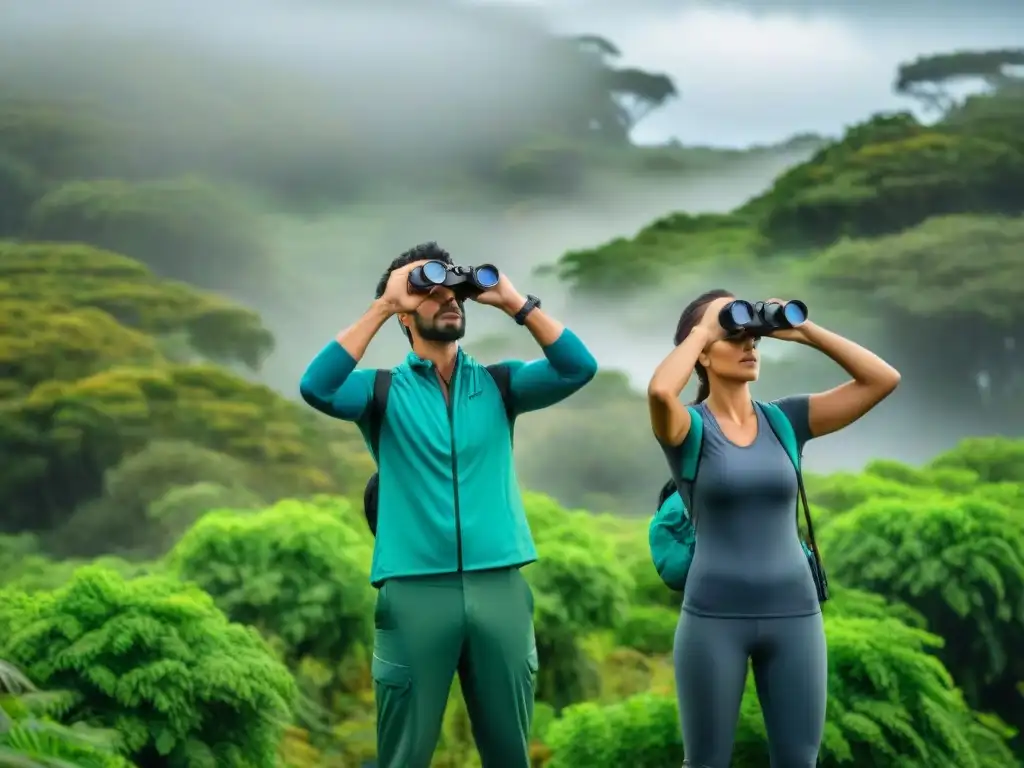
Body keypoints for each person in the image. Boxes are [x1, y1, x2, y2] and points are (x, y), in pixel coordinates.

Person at [298, 242, 598, 768]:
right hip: (414, 588)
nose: (448, 300)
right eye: (429, 293)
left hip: (500, 585)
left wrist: (512, 301)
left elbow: (578, 368)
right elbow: (316, 387)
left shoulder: (501, 385)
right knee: (404, 756)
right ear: (406, 314)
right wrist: (384, 305)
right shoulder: (380, 392)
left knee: (510, 755)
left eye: (454, 292)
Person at [646, 289, 901, 768]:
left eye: (753, 337)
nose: (749, 345)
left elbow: (881, 379)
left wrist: (803, 330)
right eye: (732, 335)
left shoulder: (785, 420)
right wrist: (706, 326)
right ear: (701, 352)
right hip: (712, 619)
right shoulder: (688, 430)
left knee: (799, 761)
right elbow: (661, 391)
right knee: (705, 762)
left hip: (796, 616)